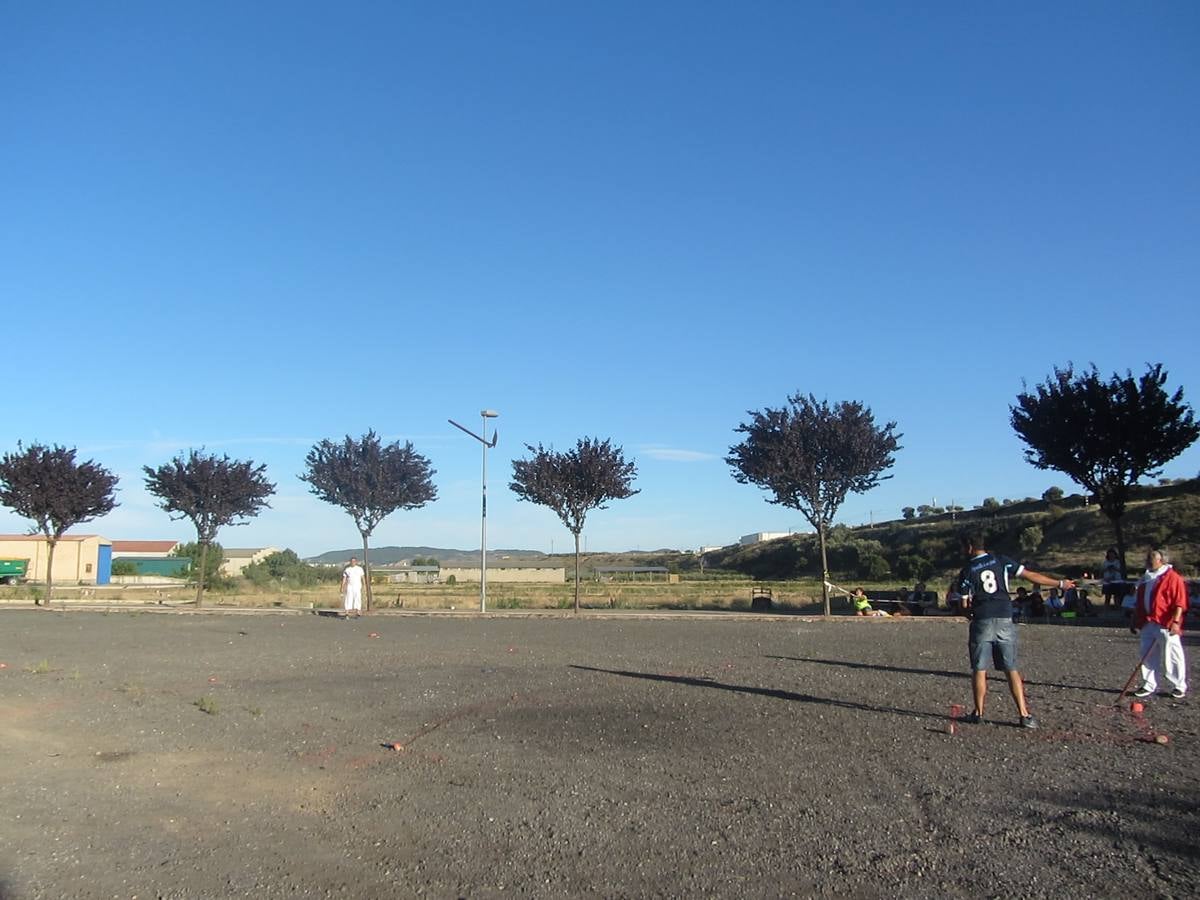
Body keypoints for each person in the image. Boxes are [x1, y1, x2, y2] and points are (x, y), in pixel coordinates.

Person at [953, 532, 1075, 729]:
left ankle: (979, 713)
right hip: (1004, 616)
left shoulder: (967, 570)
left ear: (969, 547)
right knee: (1011, 668)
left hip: (982, 618)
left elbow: (964, 603)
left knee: (979, 669)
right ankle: (1024, 714)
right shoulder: (1001, 560)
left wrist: (970, 615)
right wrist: (1060, 583)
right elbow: (1030, 575)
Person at [1131, 548, 1189, 700]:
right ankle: (1148, 684)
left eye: (1151, 559)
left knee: (1172, 654)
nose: (1147, 562)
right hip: (1147, 622)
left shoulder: (1173, 578)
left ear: (1161, 561)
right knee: (1146, 654)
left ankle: (1179, 685)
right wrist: (1135, 619)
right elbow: (1138, 601)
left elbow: (1179, 603)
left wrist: (1175, 622)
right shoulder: (1146, 577)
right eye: (1147, 559)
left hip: (1165, 622)